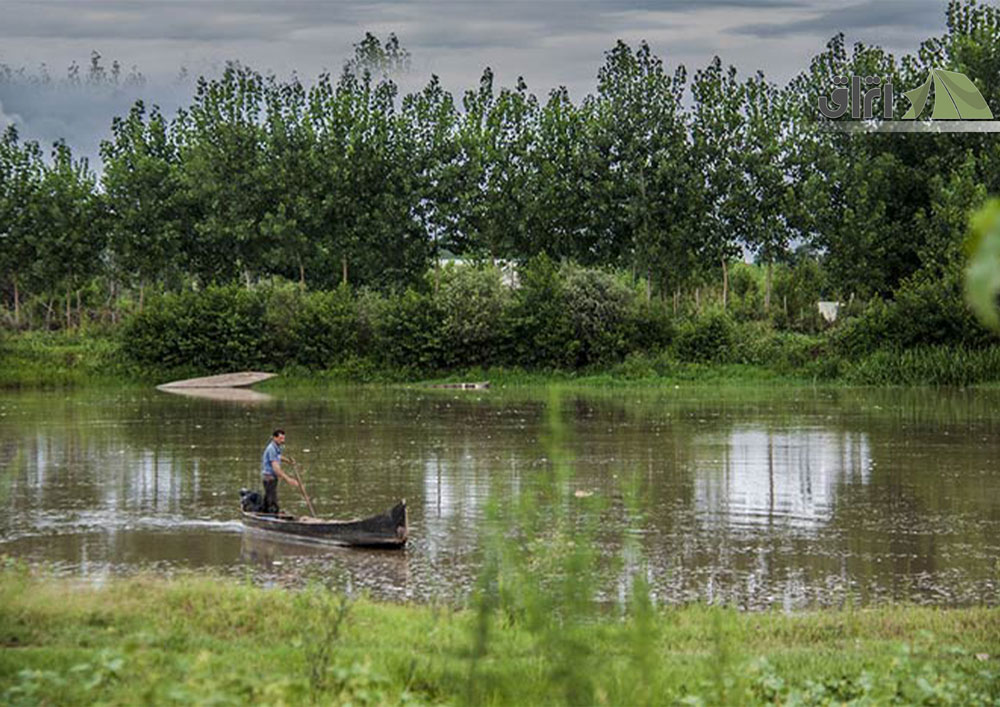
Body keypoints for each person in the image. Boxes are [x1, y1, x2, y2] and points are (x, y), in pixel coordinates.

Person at [261, 428, 299, 513]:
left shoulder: (277, 447)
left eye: (283, 438)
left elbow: (278, 457)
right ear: (275, 438)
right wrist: (288, 479)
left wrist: (288, 461)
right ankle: (272, 519)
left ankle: (264, 513)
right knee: (272, 502)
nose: (282, 440)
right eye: (280, 438)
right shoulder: (271, 449)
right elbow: (276, 468)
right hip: (269, 478)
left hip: (272, 477)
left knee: (268, 498)